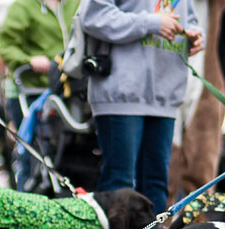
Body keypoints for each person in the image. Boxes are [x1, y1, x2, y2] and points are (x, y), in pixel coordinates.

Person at [81, 0, 204, 213]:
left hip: (165, 94)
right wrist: (151, 23)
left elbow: (190, 19)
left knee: (157, 185)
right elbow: (93, 16)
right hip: (120, 95)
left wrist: (194, 34)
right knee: (120, 185)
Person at [0, 0, 79, 190]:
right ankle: (25, 197)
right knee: (31, 151)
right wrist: (29, 60)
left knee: (66, 152)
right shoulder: (23, 6)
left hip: (66, 92)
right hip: (31, 90)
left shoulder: (75, 4)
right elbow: (6, 47)